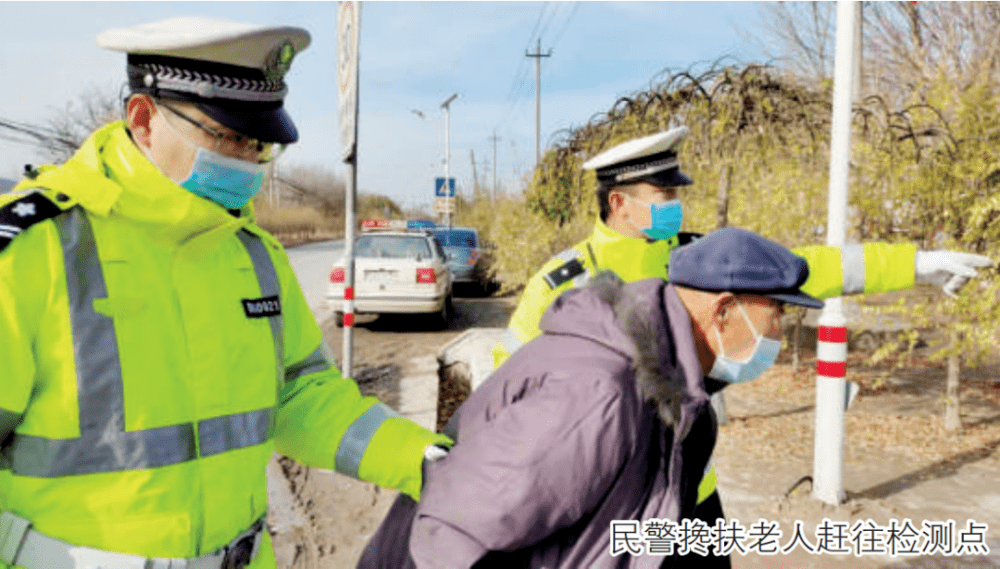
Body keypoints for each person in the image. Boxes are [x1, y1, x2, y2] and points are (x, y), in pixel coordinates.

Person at [0, 17, 449, 569]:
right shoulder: (36, 250)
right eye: (229, 136)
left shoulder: (253, 255)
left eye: (259, 144)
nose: (247, 160)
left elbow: (301, 396)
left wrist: (423, 461)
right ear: (144, 119)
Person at [489, 126, 994, 541]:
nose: (676, 205)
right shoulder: (564, 282)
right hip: (604, 505)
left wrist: (917, 263)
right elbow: (508, 383)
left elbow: (806, 268)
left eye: (676, 194)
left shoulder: (698, 259)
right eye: (664, 194)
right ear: (619, 203)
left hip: (694, 493)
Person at [364, 228, 829, 568]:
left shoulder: (679, 397)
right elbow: (453, 532)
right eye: (778, 314)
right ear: (725, 310)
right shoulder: (599, 393)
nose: (780, 334)